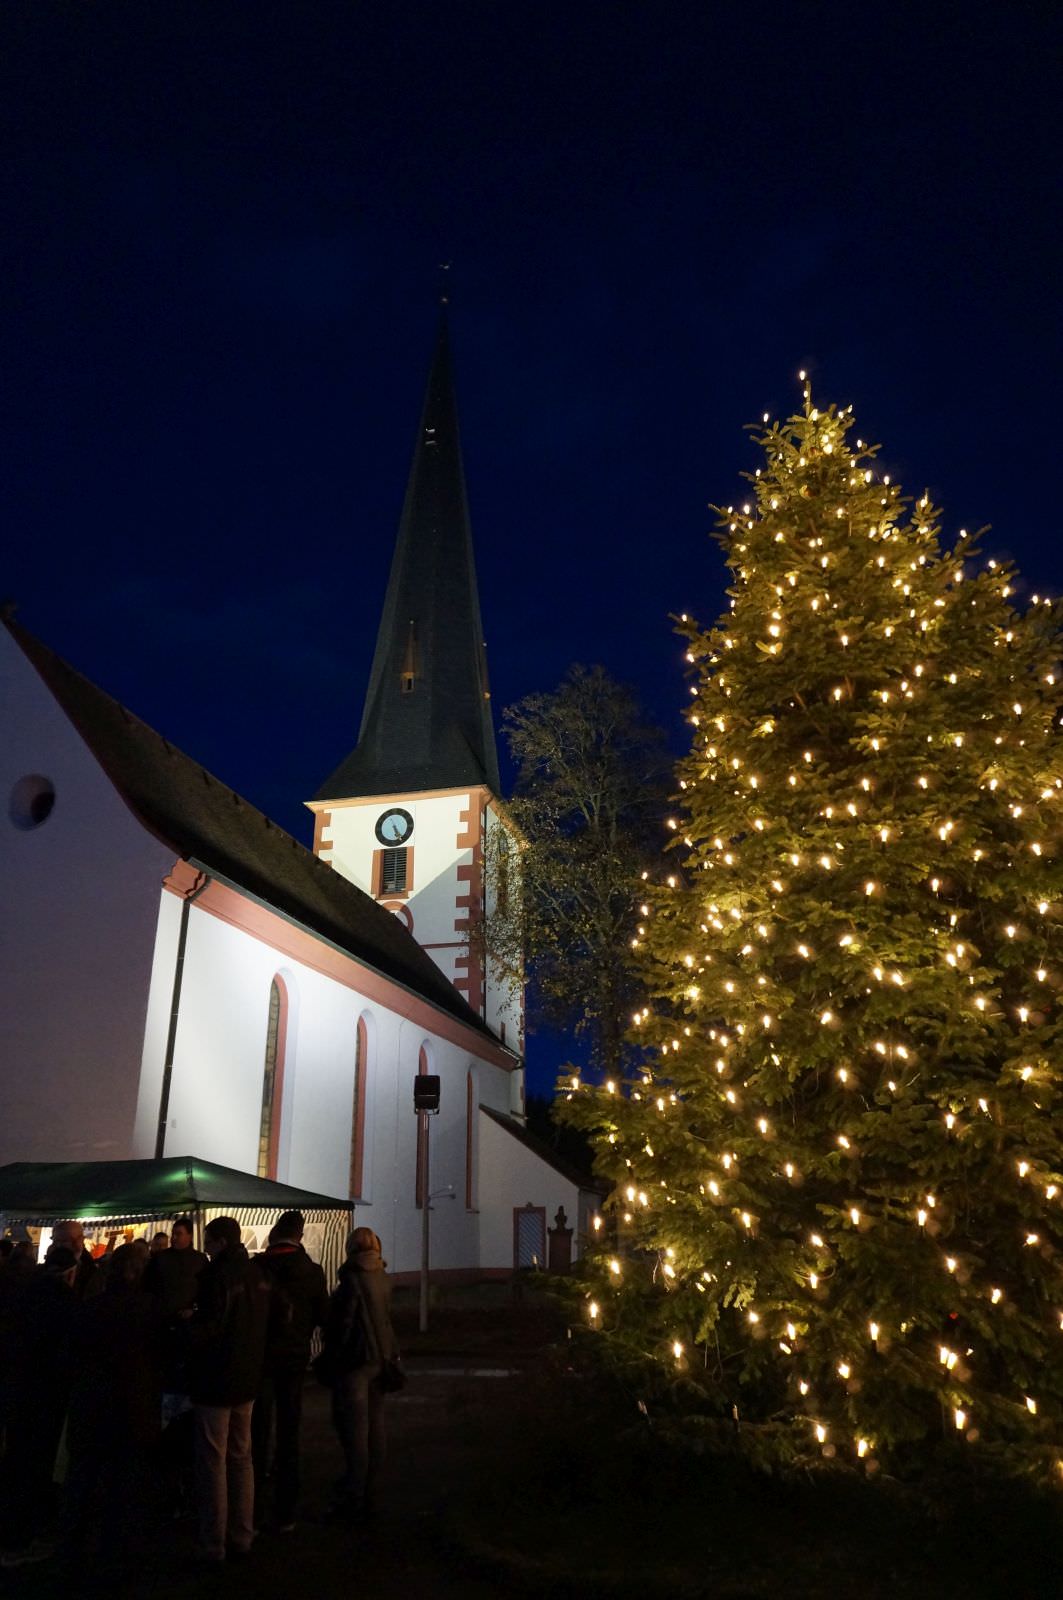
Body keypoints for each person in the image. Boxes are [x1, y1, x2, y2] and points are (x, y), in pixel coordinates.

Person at [64, 1244, 163, 1554]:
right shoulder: (151, 1308)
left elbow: (74, 1352)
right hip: (135, 1403)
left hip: (94, 1401)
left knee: (87, 1474)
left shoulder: (92, 1307)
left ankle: (76, 1538)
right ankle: (118, 1541)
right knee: (126, 1475)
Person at [187, 1217, 273, 1564]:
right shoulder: (256, 1274)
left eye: (208, 1240)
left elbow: (210, 1328)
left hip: (217, 1378)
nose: (205, 1247)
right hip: (247, 1376)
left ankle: (213, 1543)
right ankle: (243, 1534)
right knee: (241, 1457)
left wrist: (187, 1329)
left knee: (213, 1461)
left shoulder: (216, 1277)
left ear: (221, 1242)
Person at [0, 1246, 79, 1568]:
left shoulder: (23, 1292)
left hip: (18, 1388)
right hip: (46, 1393)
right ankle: (21, 1539)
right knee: (36, 1464)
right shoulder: (63, 1299)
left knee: (17, 1460)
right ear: (70, 1272)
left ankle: (15, 1534)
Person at [252, 1211, 327, 1533]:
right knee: (289, 1432)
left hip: (260, 1357)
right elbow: (323, 1315)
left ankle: (252, 1511)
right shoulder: (311, 1271)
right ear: (300, 1235)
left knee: (256, 1433)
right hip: (294, 1357)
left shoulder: (258, 1268)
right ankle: (285, 1511)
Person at [327, 1226, 399, 1520]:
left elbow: (344, 1322)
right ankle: (372, 1489)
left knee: (355, 1429)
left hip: (356, 1359)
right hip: (381, 1356)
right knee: (376, 1424)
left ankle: (354, 1494)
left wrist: (334, 1353)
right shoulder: (382, 1276)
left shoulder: (352, 1278)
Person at [51, 1219, 99, 1300]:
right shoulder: (49, 1266)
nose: (58, 1245)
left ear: (80, 1240)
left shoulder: (91, 1271)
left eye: (64, 1241)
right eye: (55, 1240)